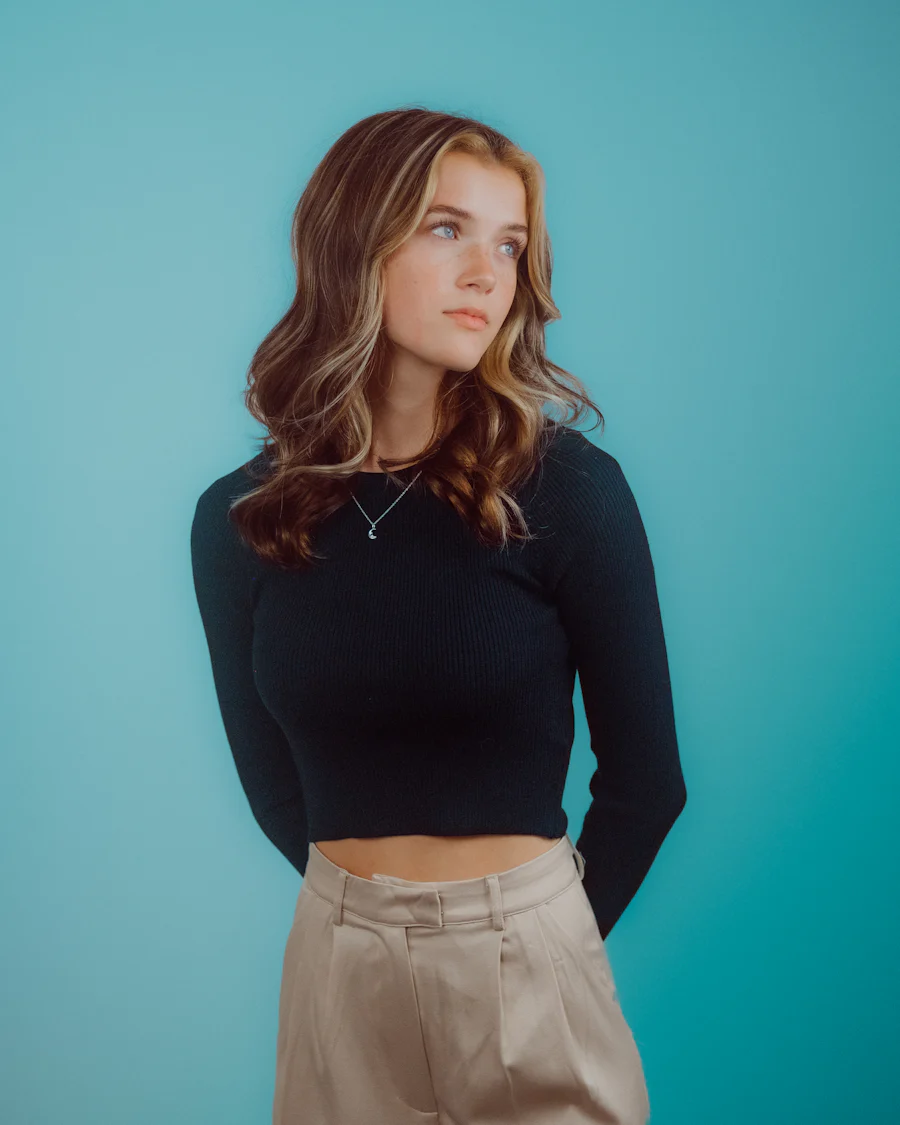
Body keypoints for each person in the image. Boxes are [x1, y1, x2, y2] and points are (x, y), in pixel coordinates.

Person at [189, 106, 687, 1125]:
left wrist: (541, 947)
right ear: (352, 243)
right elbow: (272, 783)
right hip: (338, 971)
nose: (486, 275)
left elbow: (649, 780)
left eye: (509, 245)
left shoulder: (568, 492)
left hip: (530, 961)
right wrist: (370, 927)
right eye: (447, 228)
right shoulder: (242, 519)